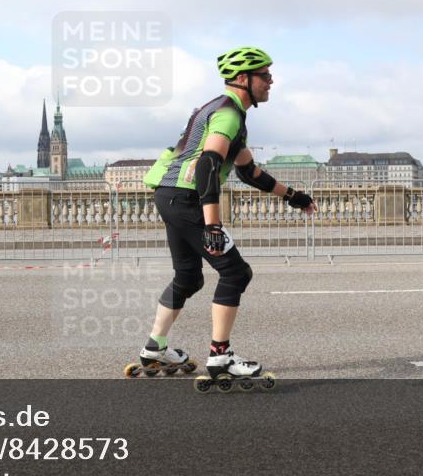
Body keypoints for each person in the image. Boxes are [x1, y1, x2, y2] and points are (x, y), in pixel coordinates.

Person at [127, 46, 317, 382]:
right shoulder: (228, 114)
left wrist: (294, 196)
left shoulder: (222, 111)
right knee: (236, 273)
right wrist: (212, 223)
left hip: (169, 195)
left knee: (188, 277)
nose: (271, 82)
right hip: (186, 199)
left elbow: (248, 172)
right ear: (244, 79)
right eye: (265, 76)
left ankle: (155, 347)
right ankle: (220, 355)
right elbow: (208, 164)